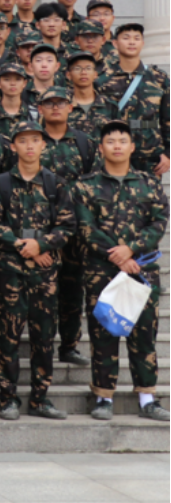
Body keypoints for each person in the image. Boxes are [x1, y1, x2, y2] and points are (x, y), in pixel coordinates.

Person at [70, 121, 170, 421]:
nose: (117, 146)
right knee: (103, 335)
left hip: (142, 270)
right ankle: (103, 397)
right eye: (110, 141)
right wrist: (119, 256)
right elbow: (85, 227)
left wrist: (132, 249)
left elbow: (159, 221)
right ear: (101, 148)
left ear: (132, 147)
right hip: (101, 271)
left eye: (122, 141)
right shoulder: (85, 185)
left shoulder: (148, 183)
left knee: (144, 335)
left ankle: (147, 398)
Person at [0, 122, 75, 422]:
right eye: (23, 140)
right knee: (8, 336)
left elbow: (68, 225)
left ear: (43, 145)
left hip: (45, 274)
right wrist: (22, 245)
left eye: (35, 140)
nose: (29, 146)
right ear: (13, 146)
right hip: (10, 272)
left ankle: (40, 398)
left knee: (44, 337)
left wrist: (42, 245)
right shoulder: (0, 183)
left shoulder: (56, 184)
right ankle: (7, 398)